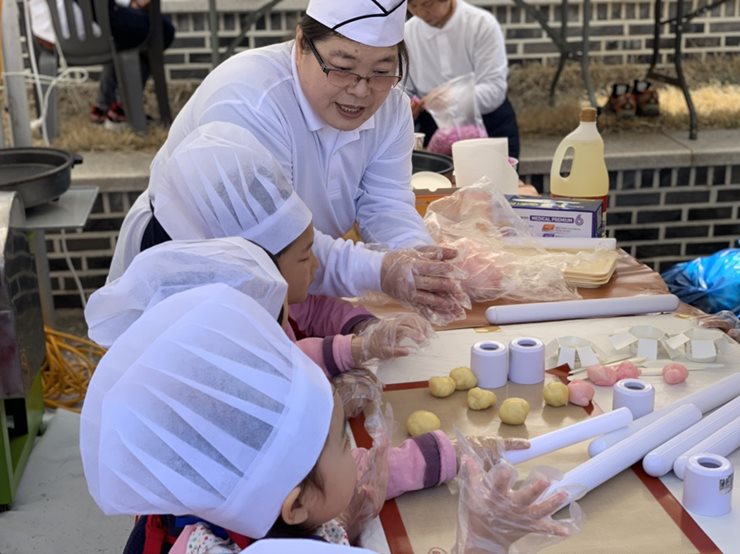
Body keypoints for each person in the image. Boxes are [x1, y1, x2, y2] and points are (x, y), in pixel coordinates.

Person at [80, 284, 577, 552]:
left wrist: (346, 520)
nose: (359, 451)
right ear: (294, 505)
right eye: (344, 441)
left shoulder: (218, 528)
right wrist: (485, 544)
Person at [108, 0, 468, 324]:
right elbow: (272, 242)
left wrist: (419, 262)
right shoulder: (251, 99)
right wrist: (382, 271)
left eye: (382, 70)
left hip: (294, 281)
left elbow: (386, 203)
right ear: (300, 46)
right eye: (343, 67)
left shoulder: (390, 107)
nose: (361, 90)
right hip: (189, 269)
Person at [84, 236, 434, 377]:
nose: (316, 266)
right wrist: (356, 350)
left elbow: (315, 311)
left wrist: (362, 324)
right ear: (269, 268)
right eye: (304, 256)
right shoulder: (242, 345)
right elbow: (285, 363)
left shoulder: (255, 301)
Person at [27, 0, 175, 127]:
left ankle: (105, 104)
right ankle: (120, 108)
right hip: (89, 29)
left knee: (128, 31)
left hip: (46, 35)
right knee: (160, 28)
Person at [404, 0, 521, 160]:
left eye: (427, 4)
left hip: (488, 122)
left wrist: (450, 99)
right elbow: (404, 87)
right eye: (413, 6)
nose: (420, 13)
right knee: (442, 183)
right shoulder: (407, 32)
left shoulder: (481, 24)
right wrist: (407, 106)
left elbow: (494, 89)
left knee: (500, 182)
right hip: (436, 128)